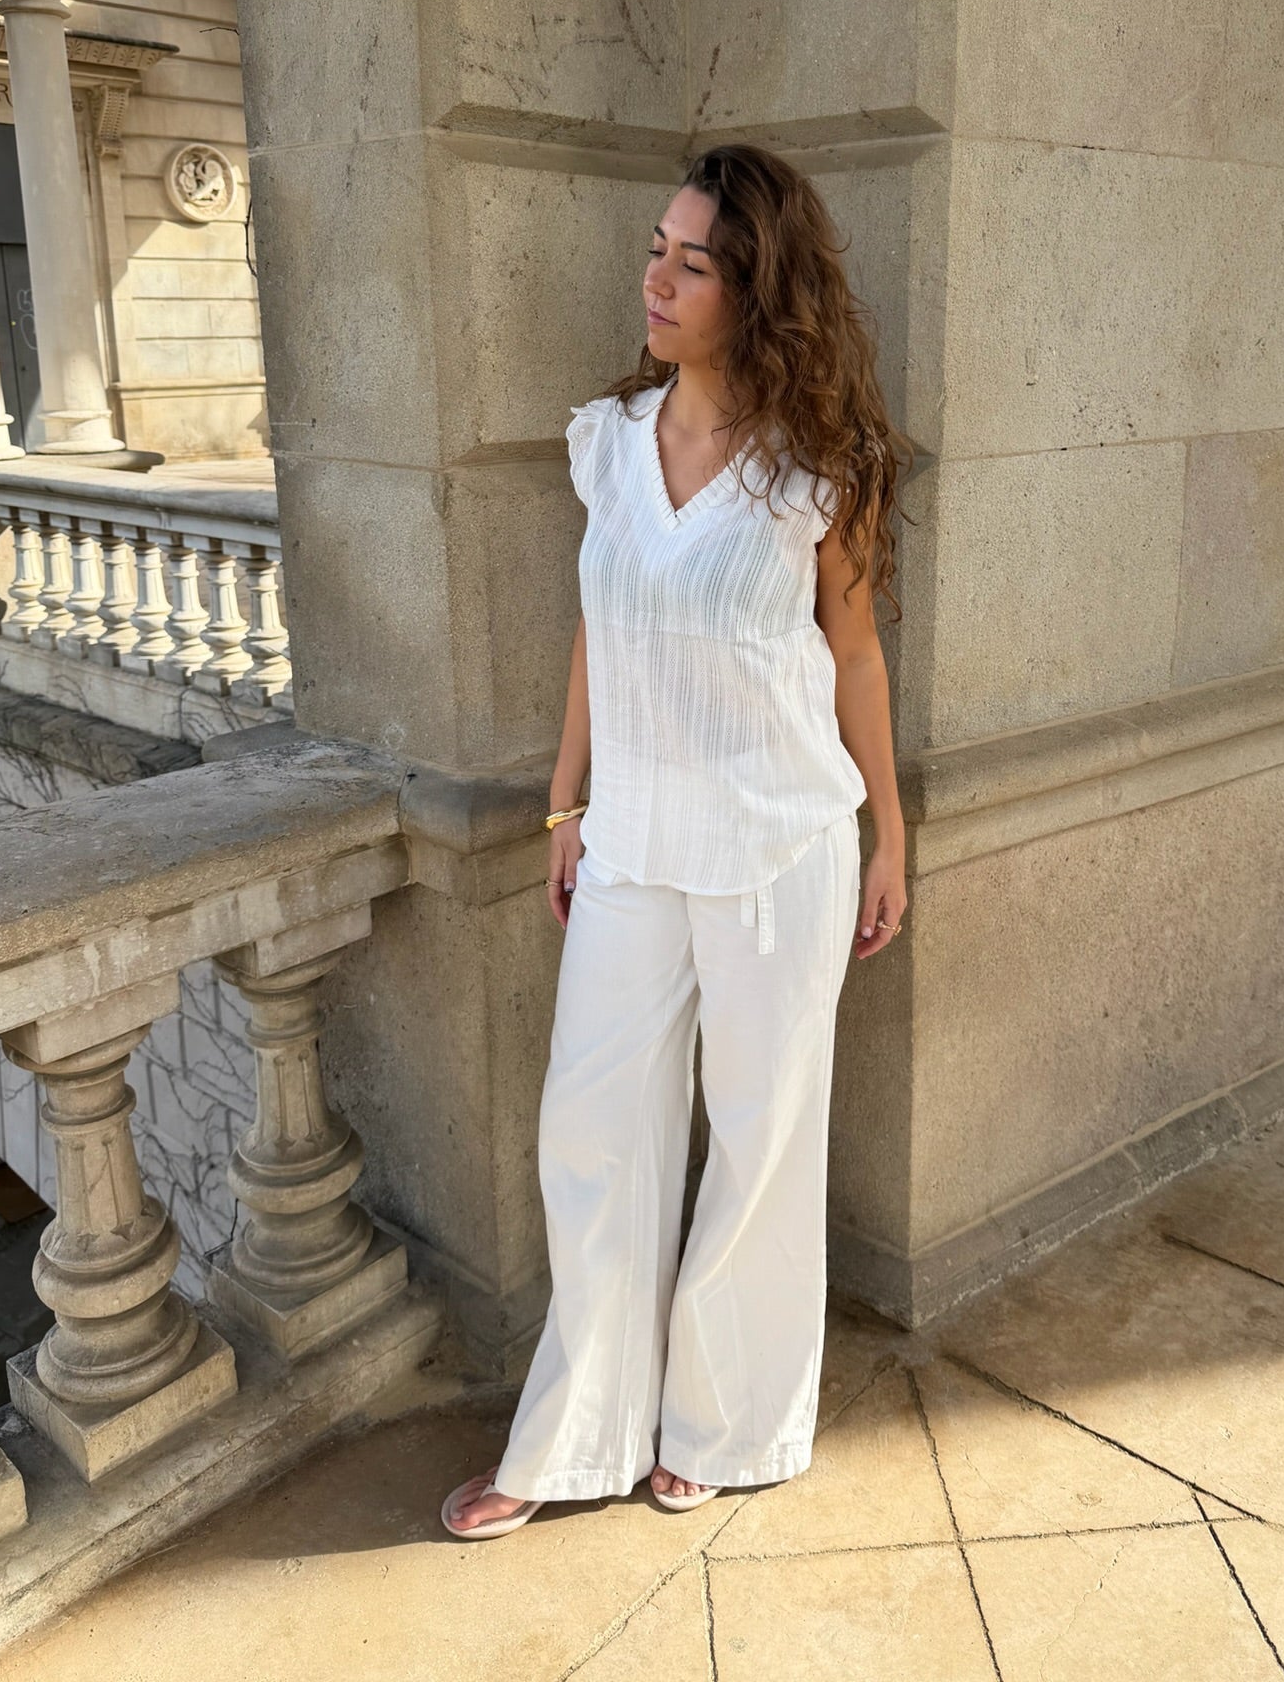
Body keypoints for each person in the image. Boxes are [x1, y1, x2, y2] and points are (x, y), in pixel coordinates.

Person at [441, 143, 913, 1538]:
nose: (655, 278)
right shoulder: (608, 440)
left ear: (755, 291)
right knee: (589, 1129)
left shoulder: (820, 469)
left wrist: (890, 834)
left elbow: (856, 659)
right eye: (657, 249)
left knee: (762, 1141)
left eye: (691, 263)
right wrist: (566, 799)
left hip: (781, 847)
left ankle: (725, 1421)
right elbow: (603, 624)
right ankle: (575, 1435)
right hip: (635, 842)